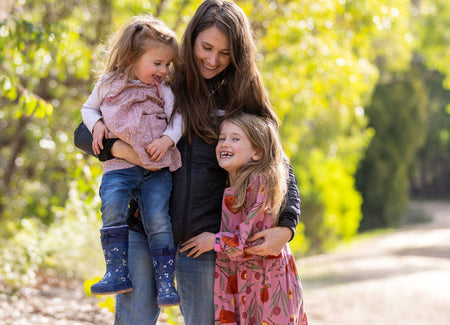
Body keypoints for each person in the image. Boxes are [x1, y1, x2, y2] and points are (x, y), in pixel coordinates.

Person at [74, 1, 301, 324]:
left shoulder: (241, 95)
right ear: (191, 38)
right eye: (206, 47)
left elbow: (277, 161)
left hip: (205, 239)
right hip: (143, 227)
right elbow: (83, 132)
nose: (212, 59)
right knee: (134, 318)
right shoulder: (161, 78)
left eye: (225, 53)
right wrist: (119, 149)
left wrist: (287, 226)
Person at [80, 15, 182, 307]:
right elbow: (88, 108)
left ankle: (166, 282)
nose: (164, 70)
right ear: (131, 57)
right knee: (111, 205)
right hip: (119, 166)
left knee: (159, 219)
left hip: (156, 168)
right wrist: (97, 124)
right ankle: (116, 271)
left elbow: (178, 120)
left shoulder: (162, 89)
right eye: (157, 63)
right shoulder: (108, 83)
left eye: (168, 65)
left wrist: (166, 140)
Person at [182, 113, 308, 324]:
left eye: (235, 138)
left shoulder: (260, 182)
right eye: (222, 138)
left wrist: (211, 241)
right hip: (243, 281)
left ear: (257, 152)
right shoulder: (233, 185)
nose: (225, 143)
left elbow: (250, 241)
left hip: (266, 283)